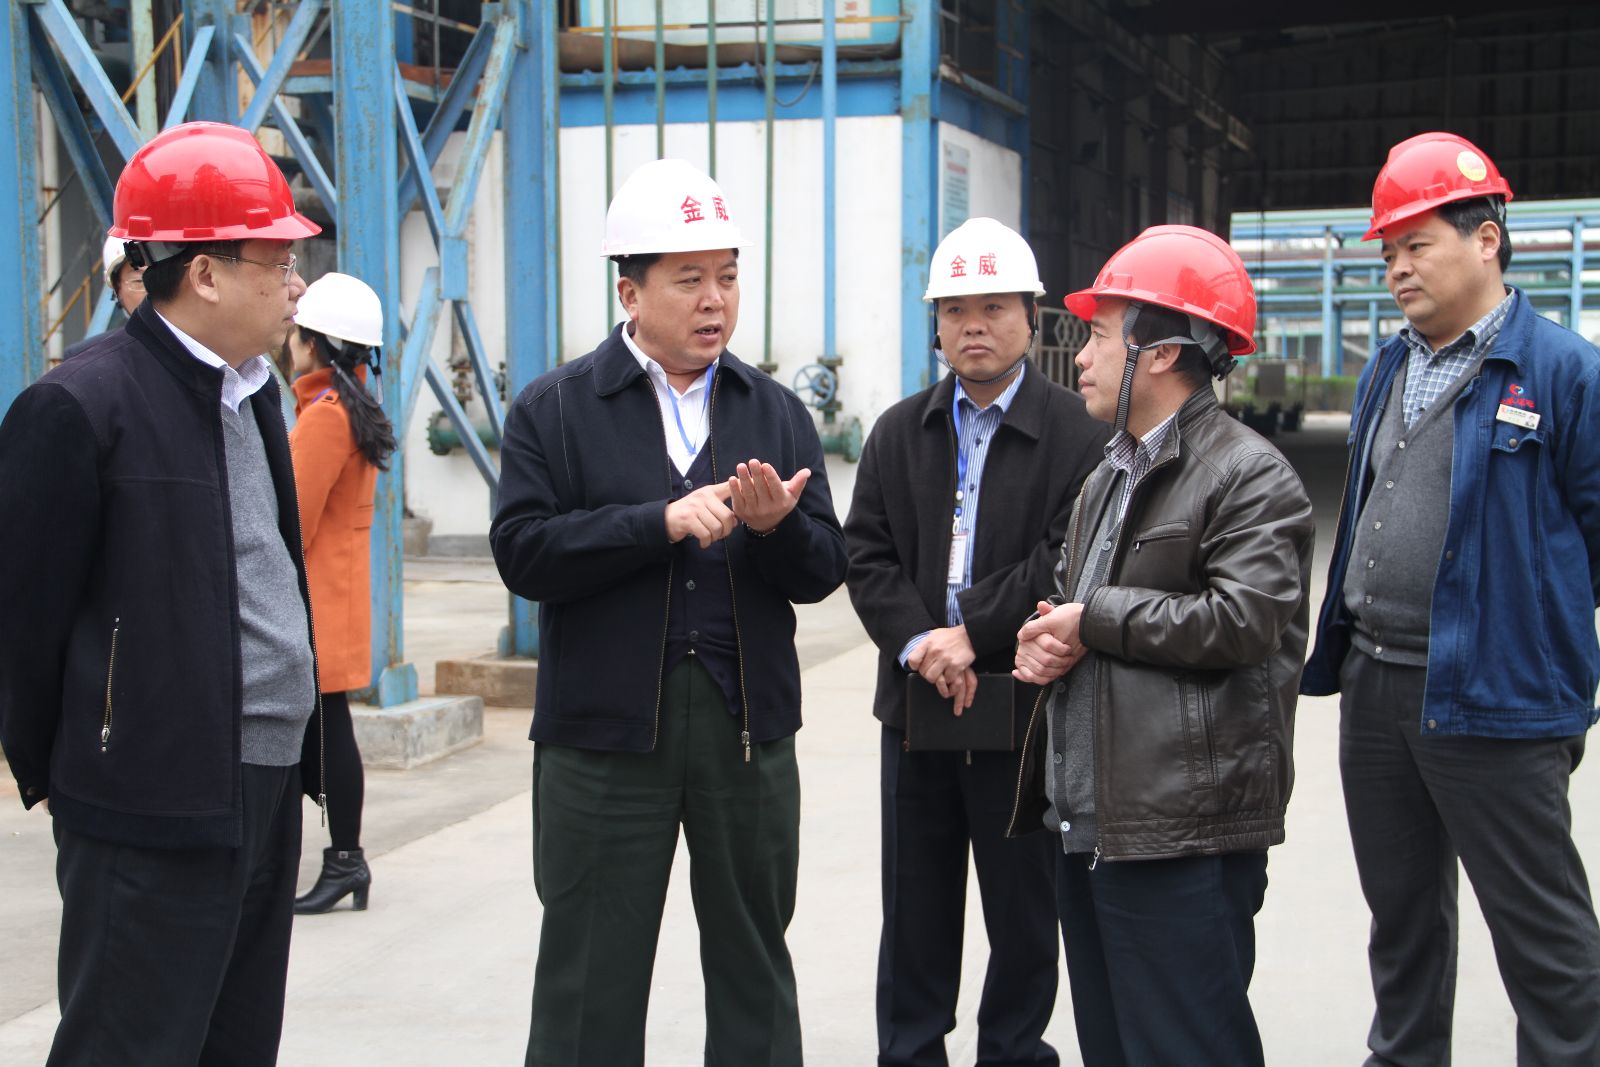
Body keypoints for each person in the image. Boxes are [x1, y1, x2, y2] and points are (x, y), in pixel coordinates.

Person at [490, 157, 848, 1067]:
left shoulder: (775, 412)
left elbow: (823, 569)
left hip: (745, 734)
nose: (714, 299)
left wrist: (772, 529)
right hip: (604, 740)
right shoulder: (556, 410)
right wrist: (655, 522)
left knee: (753, 960)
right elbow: (523, 551)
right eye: (688, 279)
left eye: (727, 275)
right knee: (589, 974)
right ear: (630, 290)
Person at [0, 121, 320, 1065]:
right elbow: (22, 618)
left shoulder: (255, 393)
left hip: (264, 779)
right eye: (278, 259)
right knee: (130, 1044)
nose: (296, 282)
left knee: (235, 1041)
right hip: (149, 795)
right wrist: (77, 771)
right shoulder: (80, 405)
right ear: (205, 273)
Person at [1301, 131, 1600, 1065]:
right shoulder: (1387, 367)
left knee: (1543, 936)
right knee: (1402, 922)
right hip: (1377, 686)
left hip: (1497, 697)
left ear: (1487, 239)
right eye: (1388, 251)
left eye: (1417, 245)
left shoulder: (1563, 372)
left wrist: (1531, 640)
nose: (1397, 268)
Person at [1010, 224, 1313, 1066]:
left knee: (1187, 1048)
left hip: (1183, 832)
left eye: (1100, 335)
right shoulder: (1106, 475)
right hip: (1095, 822)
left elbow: (1242, 620)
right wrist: (1050, 637)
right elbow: (1080, 605)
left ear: (1162, 351)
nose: (1080, 357)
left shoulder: (1249, 475)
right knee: (1113, 1047)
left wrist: (1093, 618)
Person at [844, 217, 1107, 1067]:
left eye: (994, 307)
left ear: (1031, 316)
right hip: (918, 708)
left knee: (1024, 912)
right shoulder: (898, 431)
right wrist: (922, 642)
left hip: (1023, 709)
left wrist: (972, 632)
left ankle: (1013, 1053)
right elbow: (866, 553)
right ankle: (911, 1052)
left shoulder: (1078, 433)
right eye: (955, 310)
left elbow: (1068, 553)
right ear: (937, 324)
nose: (974, 326)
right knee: (913, 910)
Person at [286, 272, 397, 915]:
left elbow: (290, 524)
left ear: (312, 345)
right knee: (327, 733)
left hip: (316, 600)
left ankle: (345, 859)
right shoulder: (348, 407)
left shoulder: (324, 418)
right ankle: (345, 860)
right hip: (336, 595)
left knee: (320, 736)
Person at [62, 236, 148, 359]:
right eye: (139, 281)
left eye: (163, 276)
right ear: (116, 289)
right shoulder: (84, 359)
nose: (153, 290)